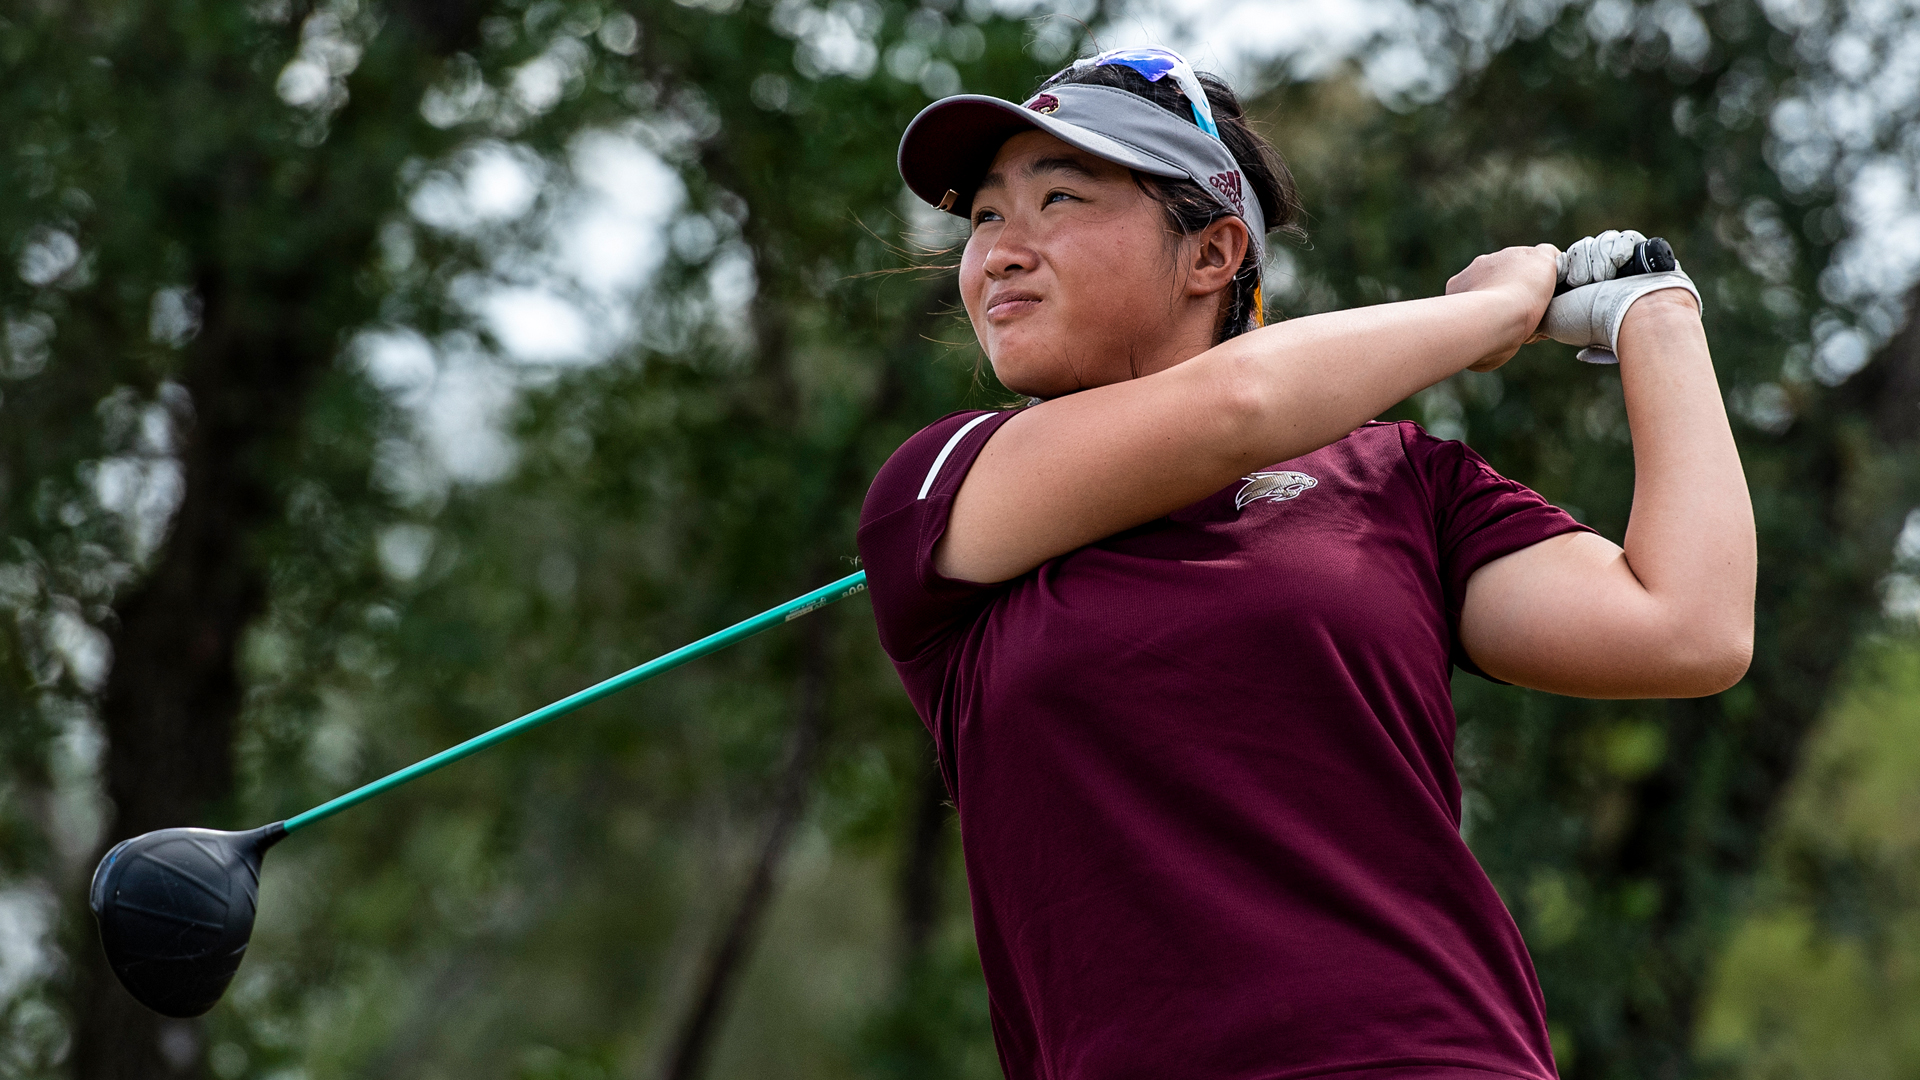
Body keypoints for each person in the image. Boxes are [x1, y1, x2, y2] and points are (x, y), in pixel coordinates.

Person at [858, 47, 1753, 1080]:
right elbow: (1240, 406)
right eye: (983, 219)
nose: (1001, 252)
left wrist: (1656, 310)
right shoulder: (940, 492)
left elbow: (1690, 627)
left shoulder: (1398, 481)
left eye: (1057, 198)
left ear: (1211, 252)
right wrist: (1492, 315)